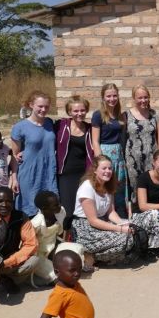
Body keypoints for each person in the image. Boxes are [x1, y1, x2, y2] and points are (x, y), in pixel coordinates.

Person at [71, 156, 134, 268]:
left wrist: (123, 223)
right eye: (104, 168)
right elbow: (93, 221)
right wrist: (120, 229)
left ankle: (94, 256)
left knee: (133, 231)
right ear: (95, 170)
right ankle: (90, 256)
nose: (108, 171)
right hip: (85, 230)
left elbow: (111, 213)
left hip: (100, 224)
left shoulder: (108, 187)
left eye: (110, 168)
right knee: (126, 240)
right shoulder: (87, 187)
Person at [10, 90, 58, 216]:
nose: (43, 109)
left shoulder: (50, 123)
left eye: (46, 107)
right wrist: (14, 178)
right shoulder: (20, 127)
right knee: (29, 210)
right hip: (29, 173)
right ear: (31, 105)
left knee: (48, 208)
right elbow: (15, 156)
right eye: (40, 106)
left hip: (48, 172)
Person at [39, 250, 94, 318]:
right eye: (72, 270)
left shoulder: (74, 284)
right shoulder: (60, 294)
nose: (77, 273)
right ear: (57, 272)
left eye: (79, 269)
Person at [56, 96, 94, 230]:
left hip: (84, 174)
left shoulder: (90, 128)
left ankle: (81, 236)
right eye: (76, 111)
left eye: (82, 110)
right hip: (65, 174)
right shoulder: (60, 125)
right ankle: (66, 238)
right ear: (69, 112)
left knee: (83, 206)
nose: (79, 114)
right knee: (67, 208)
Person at [91, 83, 128, 217]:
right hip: (105, 153)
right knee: (105, 187)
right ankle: (105, 216)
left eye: (114, 96)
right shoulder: (97, 115)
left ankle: (120, 217)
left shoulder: (120, 115)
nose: (112, 99)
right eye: (108, 96)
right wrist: (100, 161)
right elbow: (95, 140)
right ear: (103, 98)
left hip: (118, 156)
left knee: (118, 187)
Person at [125, 85, 157, 207]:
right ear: (134, 98)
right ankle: (135, 214)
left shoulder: (154, 115)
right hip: (133, 160)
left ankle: (151, 215)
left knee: (151, 186)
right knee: (135, 187)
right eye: (140, 98)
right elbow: (124, 138)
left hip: (151, 158)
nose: (143, 100)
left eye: (145, 97)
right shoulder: (126, 115)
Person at [31, 191, 66, 285]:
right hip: (38, 255)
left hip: (53, 248)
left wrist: (57, 251)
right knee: (56, 275)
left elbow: (59, 233)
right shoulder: (35, 223)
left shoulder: (61, 211)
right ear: (44, 208)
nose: (59, 206)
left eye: (59, 203)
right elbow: (28, 245)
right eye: (55, 205)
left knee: (74, 254)